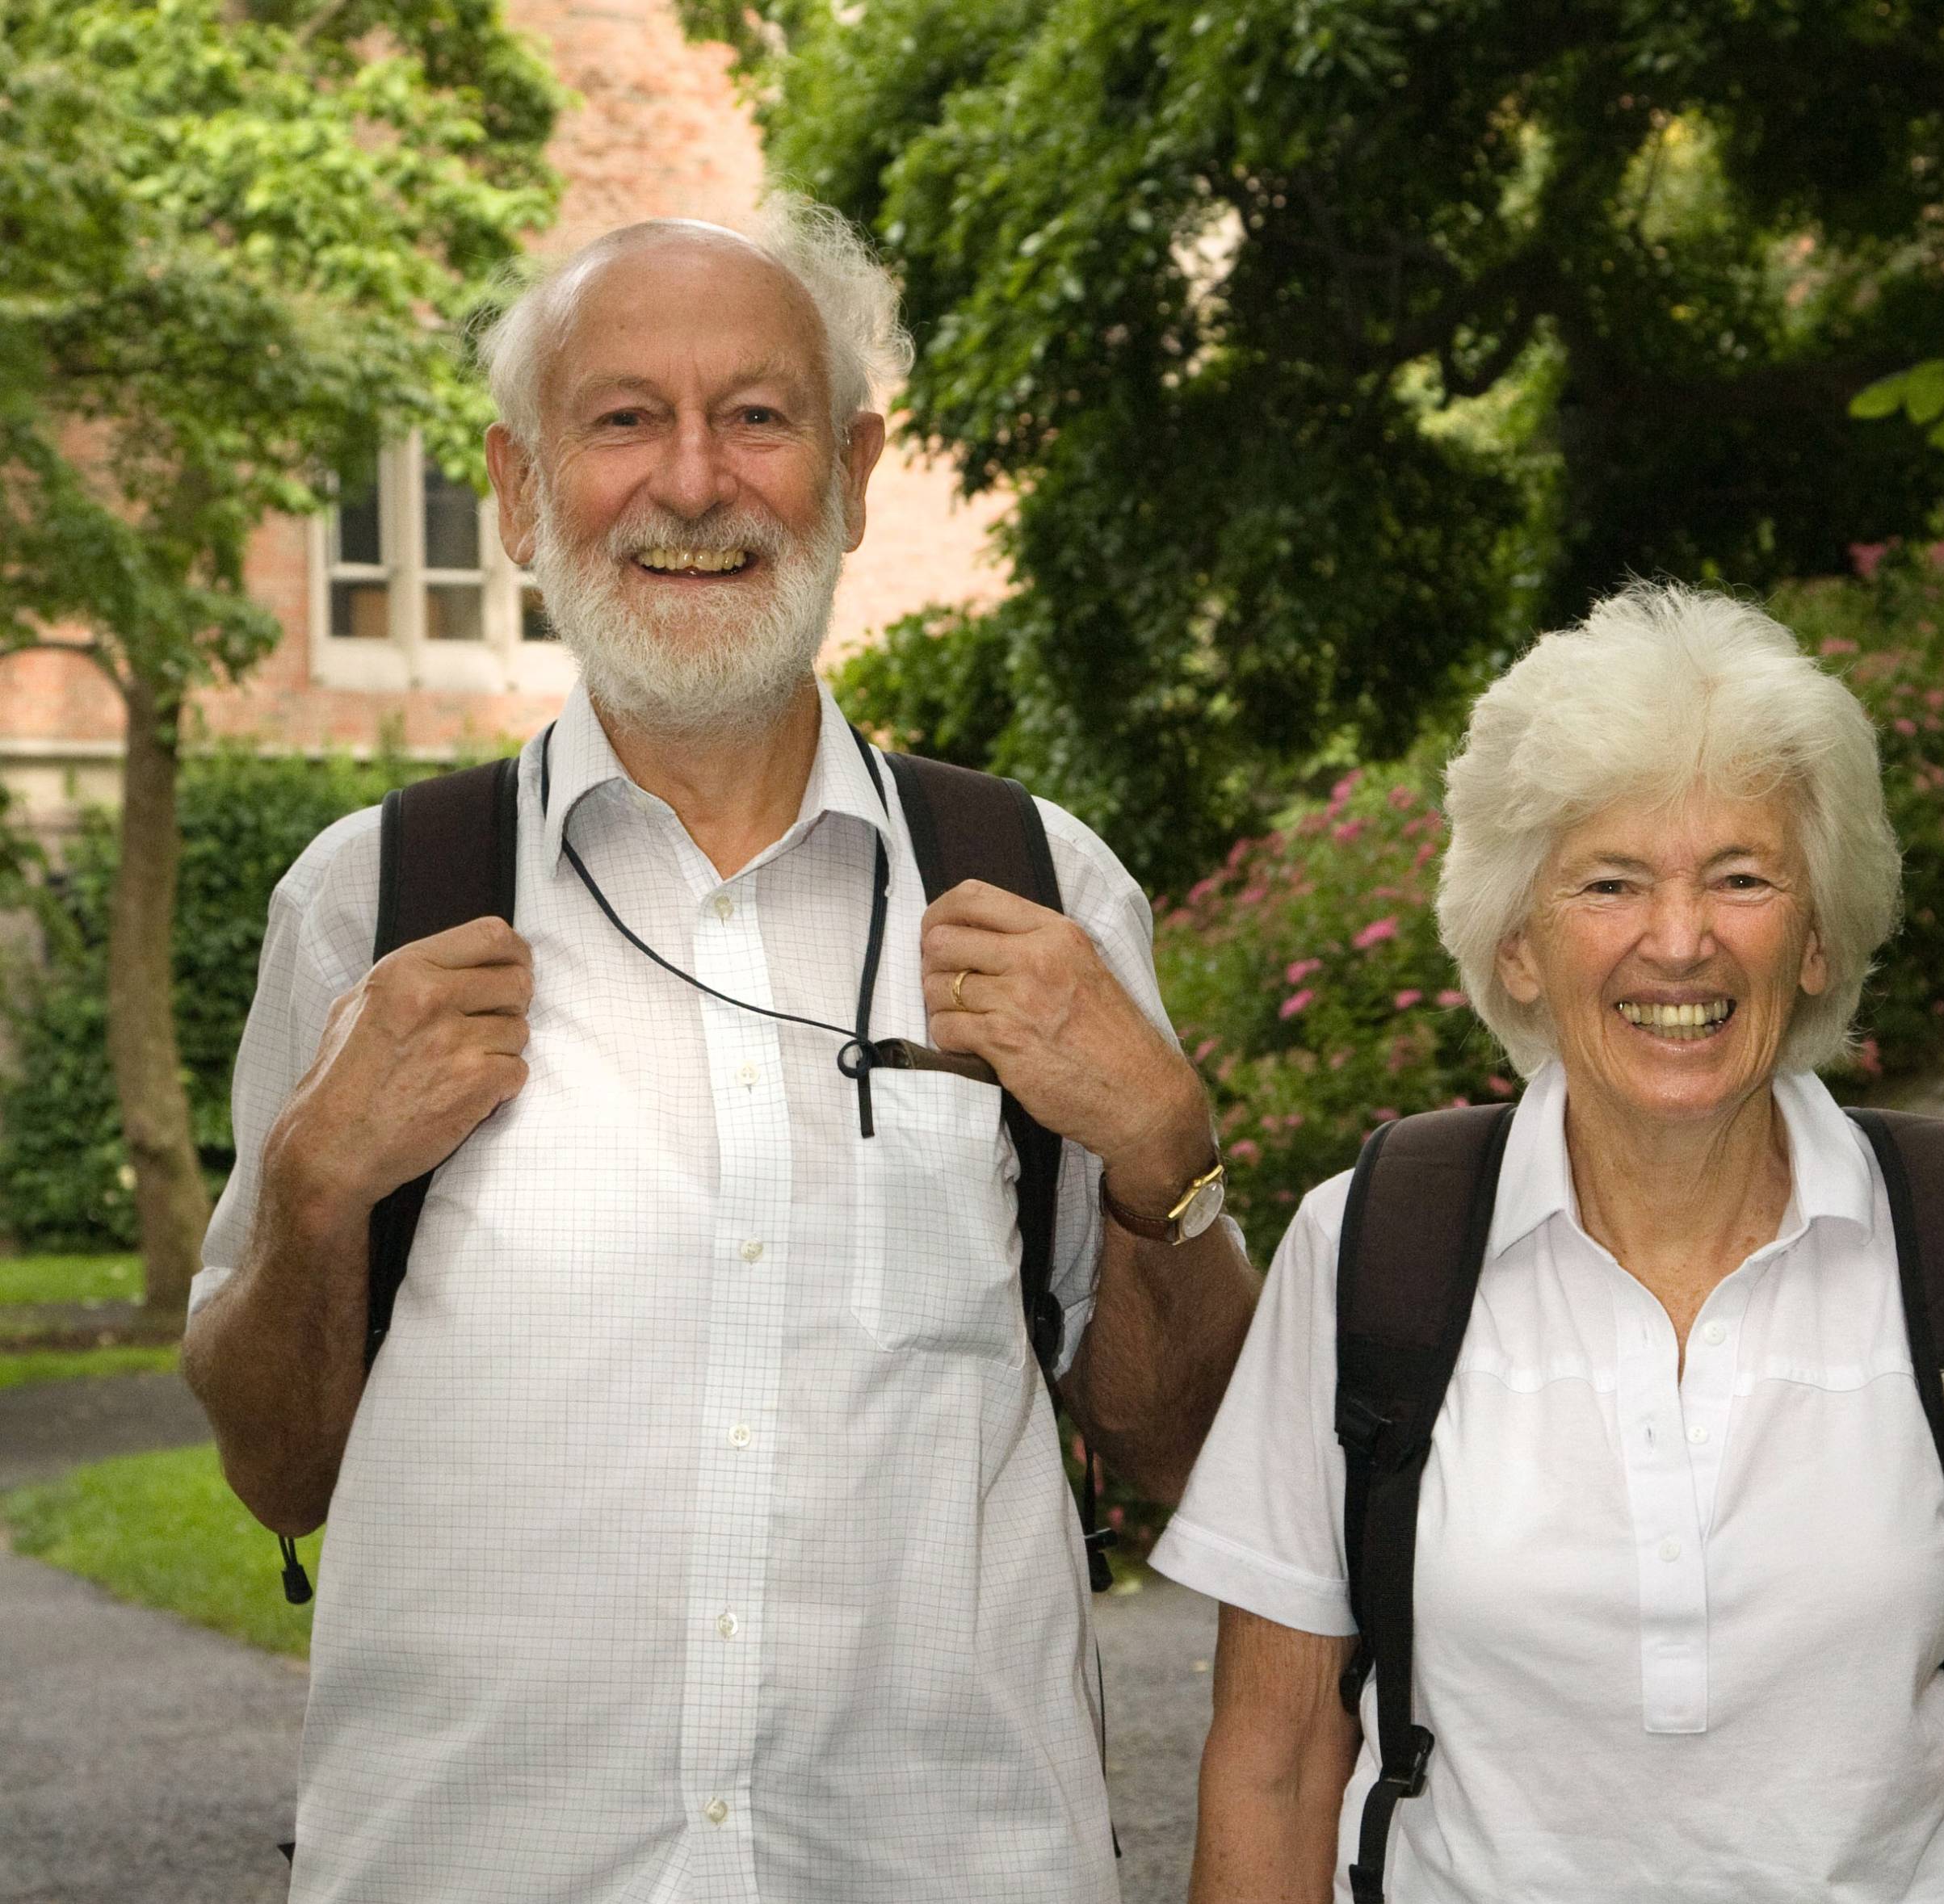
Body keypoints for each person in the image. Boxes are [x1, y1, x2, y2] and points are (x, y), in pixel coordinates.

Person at [182, 199, 1258, 1904]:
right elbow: (274, 1471)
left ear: (849, 469)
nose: (693, 483)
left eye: (755, 417)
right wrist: (315, 1189)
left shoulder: (1040, 892)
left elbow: (1188, 1453)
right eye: (623, 420)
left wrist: (1164, 1161)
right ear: (522, 487)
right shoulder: (370, 905)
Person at [1150, 583, 1944, 1903]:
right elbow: (1278, 1760)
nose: (1680, 939)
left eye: (1743, 877)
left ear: (1817, 939)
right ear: (1520, 946)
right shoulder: (1370, 1248)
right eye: (1611, 881)